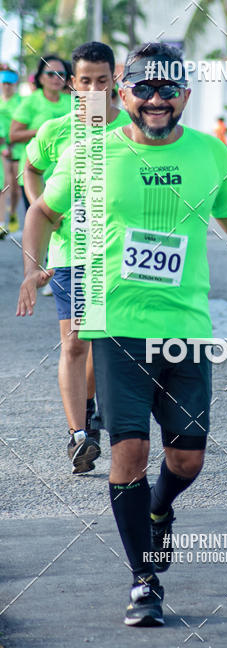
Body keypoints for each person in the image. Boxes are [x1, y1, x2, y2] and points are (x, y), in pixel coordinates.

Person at [16, 41, 227, 627]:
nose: (155, 100)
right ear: (124, 94)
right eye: (143, 89)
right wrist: (33, 266)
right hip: (116, 323)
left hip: (186, 328)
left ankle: (159, 509)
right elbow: (43, 211)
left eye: (167, 90)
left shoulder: (209, 152)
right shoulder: (93, 154)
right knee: (129, 451)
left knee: (188, 458)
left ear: (185, 96)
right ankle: (144, 580)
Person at [23, 42, 130, 473]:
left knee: (99, 340)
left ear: (114, 82)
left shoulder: (132, 129)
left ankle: (89, 411)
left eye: (102, 81)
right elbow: (31, 168)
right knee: (75, 343)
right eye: (85, 81)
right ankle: (79, 434)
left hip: (117, 253)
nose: (94, 90)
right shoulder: (56, 130)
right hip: (71, 252)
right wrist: (45, 209)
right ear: (72, 84)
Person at [9, 56, 71, 213]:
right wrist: (43, 132)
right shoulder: (31, 101)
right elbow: (13, 135)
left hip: (65, 176)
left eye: (61, 74)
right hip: (35, 174)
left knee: (62, 224)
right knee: (38, 221)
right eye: (51, 74)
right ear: (41, 78)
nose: (56, 78)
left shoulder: (72, 102)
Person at [0, 68, 21, 234]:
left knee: (15, 189)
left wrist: (13, 142)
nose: (6, 86)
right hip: (2, 148)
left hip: (19, 149)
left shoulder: (21, 102)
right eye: (4, 83)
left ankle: (13, 212)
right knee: (4, 185)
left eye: (10, 83)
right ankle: (1, 224)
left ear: (15, 84)